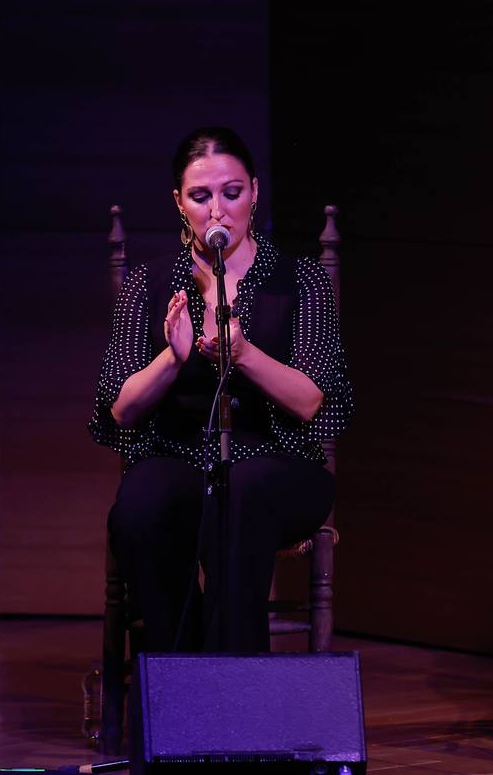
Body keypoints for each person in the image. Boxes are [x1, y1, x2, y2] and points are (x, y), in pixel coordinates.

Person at [89, 125, 352, 653]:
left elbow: (311, 401)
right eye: (200, 196)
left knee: (241, 495)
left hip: (277, 463)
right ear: (179, 202)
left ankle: (234, 677)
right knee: (141, 509)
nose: (217, 212)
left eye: (231, 193)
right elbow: (119, 410)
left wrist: (246, 354)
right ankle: (177, 673)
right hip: (179, 456)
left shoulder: (300, 280)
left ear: (254, 192)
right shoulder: (149, 284)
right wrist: (172, 358)